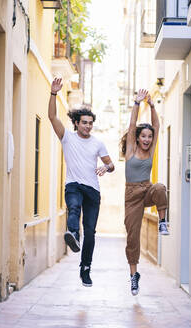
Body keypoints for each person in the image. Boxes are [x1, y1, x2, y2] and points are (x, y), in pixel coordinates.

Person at [48, 77, 115, 287]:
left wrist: (106, 167)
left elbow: (111, 164)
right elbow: (51, 117)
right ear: (76, 123)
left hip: (93, 191)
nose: (88, 126)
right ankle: (73, 234)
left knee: (91, 231)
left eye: (90, 123)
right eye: (84, 122)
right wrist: (53, 94)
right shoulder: (67, 137)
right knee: (73, 207)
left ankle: (85, 268)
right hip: (74, 185)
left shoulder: (98, 143)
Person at [120, 89, 169, 296]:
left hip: (146, 189)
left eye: (150, 137)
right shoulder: (131, 149)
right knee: (132, 236)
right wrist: (137, 104)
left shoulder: (151, 150)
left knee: (160, 187)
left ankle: (163, 222)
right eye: (144, 136)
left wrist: (152, 105)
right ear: (137, 138)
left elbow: (157, 125)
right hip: (132, 196)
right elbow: (132, 125)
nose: (148, 139)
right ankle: (134, 276)